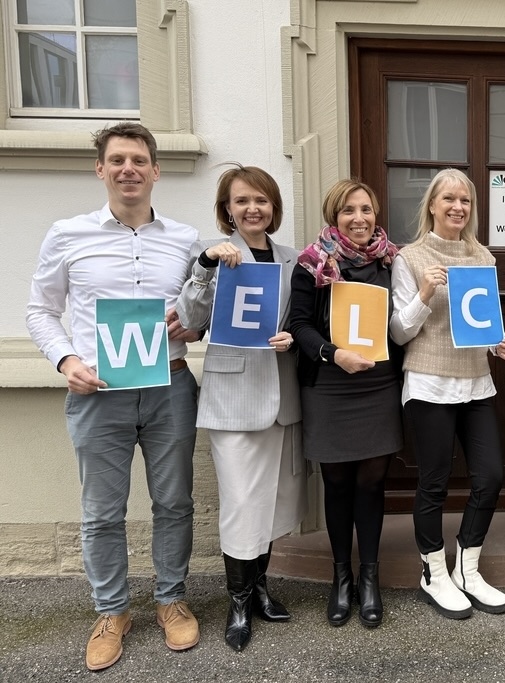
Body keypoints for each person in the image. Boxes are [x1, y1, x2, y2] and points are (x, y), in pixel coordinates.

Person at [25, 123, 202, 671]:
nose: (130, 169)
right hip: (100, 393)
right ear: (100, 169)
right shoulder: (67, 234)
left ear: (156, 170)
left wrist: (188, 328)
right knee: (102, 511)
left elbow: (200, 314)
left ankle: (170, 599)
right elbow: (39, 309)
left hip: (169, 385)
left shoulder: (184, 239)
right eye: (118, 160)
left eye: (140, 160)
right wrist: (65, 360)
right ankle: (112, 611)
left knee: (173, 503)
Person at [176, 165, 305, 651]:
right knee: (239, 503)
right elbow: (190, 321)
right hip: (233, 397)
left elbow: (302, 321)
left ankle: (260, 589)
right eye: (242, 201)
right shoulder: (209, 257)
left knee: (270, 502)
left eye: (262, 200)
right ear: (227, 209)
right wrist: (206, 266)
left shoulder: (294, 259)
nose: (253, 208)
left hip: (281, 397)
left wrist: (292, 339)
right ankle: (237, 599)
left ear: (273, 208)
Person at [390, 168, 505, 620]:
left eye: (464, 200)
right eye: (448, 199)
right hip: (428, 382)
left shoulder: (482, 256)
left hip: (476, 382)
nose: (457, 207)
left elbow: (479, 326)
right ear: (432, 205)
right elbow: (399, 332)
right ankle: (433, 572)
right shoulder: (409, 257)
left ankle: (467, 565)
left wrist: (498, 344)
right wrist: (425, 291)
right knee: (434, 483)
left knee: (490, 477)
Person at [290, 179, 402, 629]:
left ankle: (370, 578)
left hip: (378, 385)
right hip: (330, 386)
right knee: (336, 483)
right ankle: (341, 578)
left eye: (367, 209)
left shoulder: (393, 262)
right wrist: (333, 353)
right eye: (349, 211)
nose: (360, 219)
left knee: (372, 484)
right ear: (333, 216)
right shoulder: (312, 264)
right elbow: (299, 325)